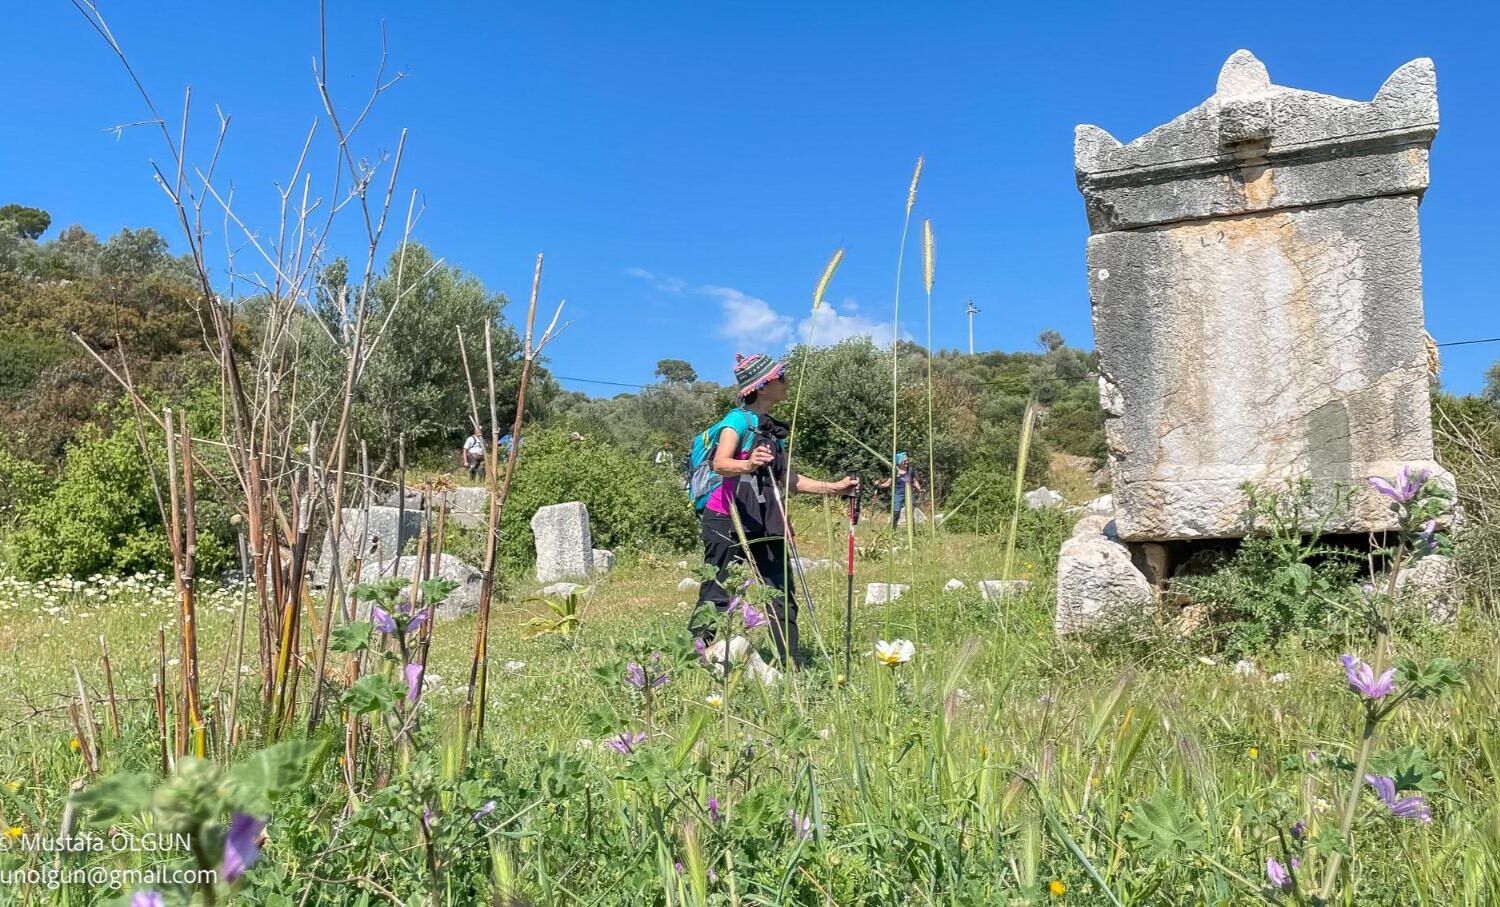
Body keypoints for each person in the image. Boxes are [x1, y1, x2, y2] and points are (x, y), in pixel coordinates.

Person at [693, 353, 857, 667]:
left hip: (766, 518)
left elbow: (787, 479)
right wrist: (749, 463)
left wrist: (834, 487)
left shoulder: (771, 430)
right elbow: (720, 463)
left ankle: (791, 663)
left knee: (781, 589)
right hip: (726, 517)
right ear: (764, 385)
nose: (786, 382)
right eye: (781, 377)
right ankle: (696, 656)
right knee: (718, 589)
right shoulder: (737, 421)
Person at [876, 452, 923, 530]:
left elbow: (914, 481)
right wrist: (879, 485)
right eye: (905, 461)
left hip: (909, 493)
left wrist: (919, 488)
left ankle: (911, 530)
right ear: (899, 461)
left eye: (907, 460)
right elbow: (888, 483)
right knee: (896, 512)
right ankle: (893, 528)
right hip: (898, 493)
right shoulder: (895, 471)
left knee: (910, 513)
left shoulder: (910, 470)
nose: (907, 462)